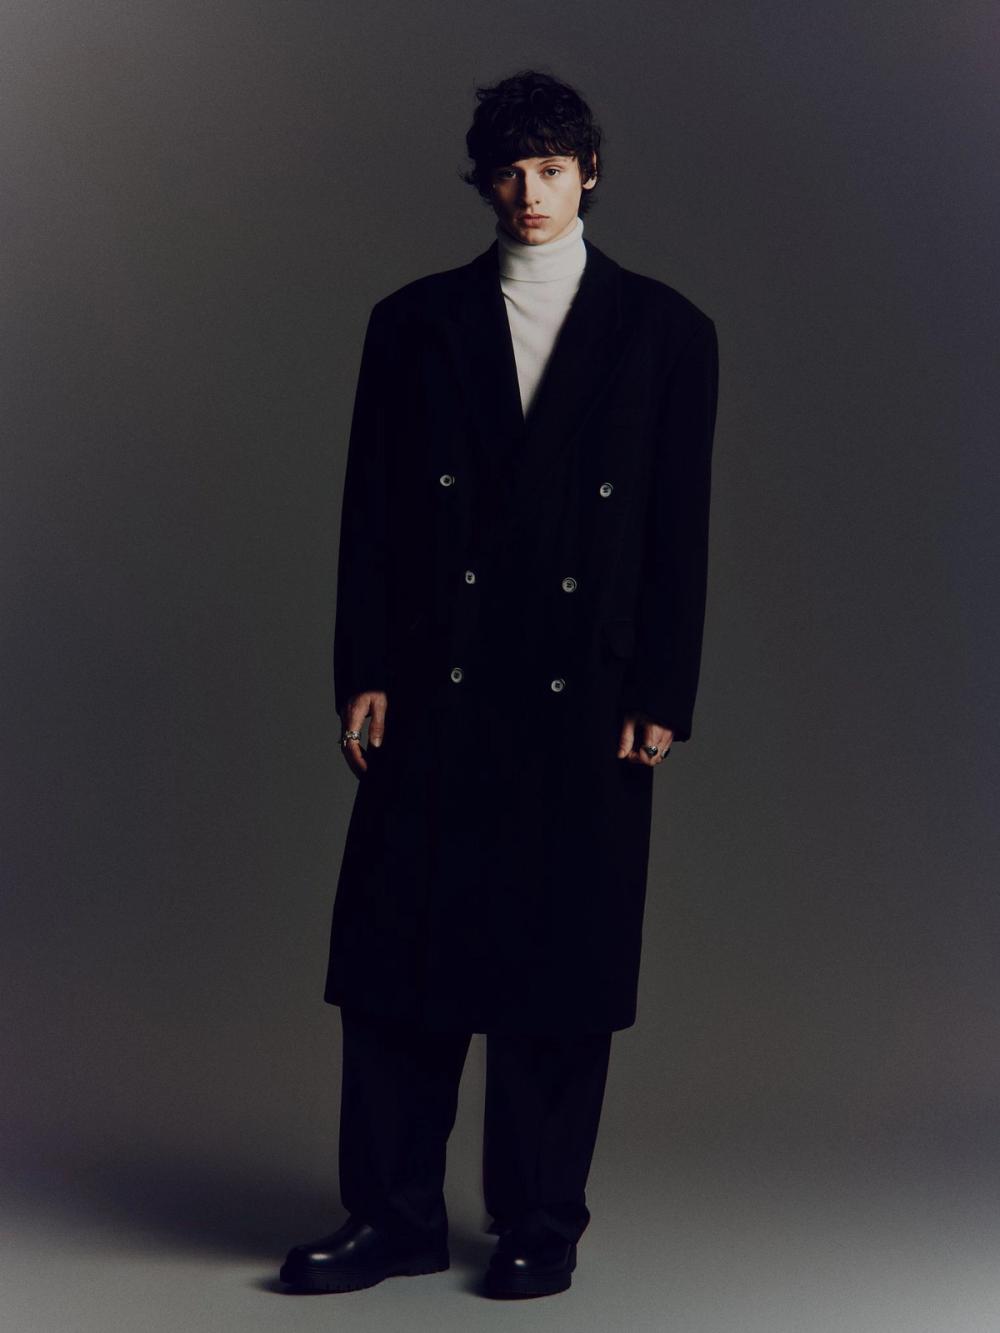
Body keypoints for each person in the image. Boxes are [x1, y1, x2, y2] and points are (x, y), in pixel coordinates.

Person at [278, 68, 720, 1300]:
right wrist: (363, 669)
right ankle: (392, 1216)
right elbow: (371, 512)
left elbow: (677, 529)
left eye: (553, 169)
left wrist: (664, 690)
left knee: (560, 968)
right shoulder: (413, 322)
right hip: (436, 683)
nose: (532, 192)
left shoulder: (667, 333)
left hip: (587, 694)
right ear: (483, 180)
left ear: (591, 175)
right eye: (511, 171)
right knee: (395, 963)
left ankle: (539, 1220)